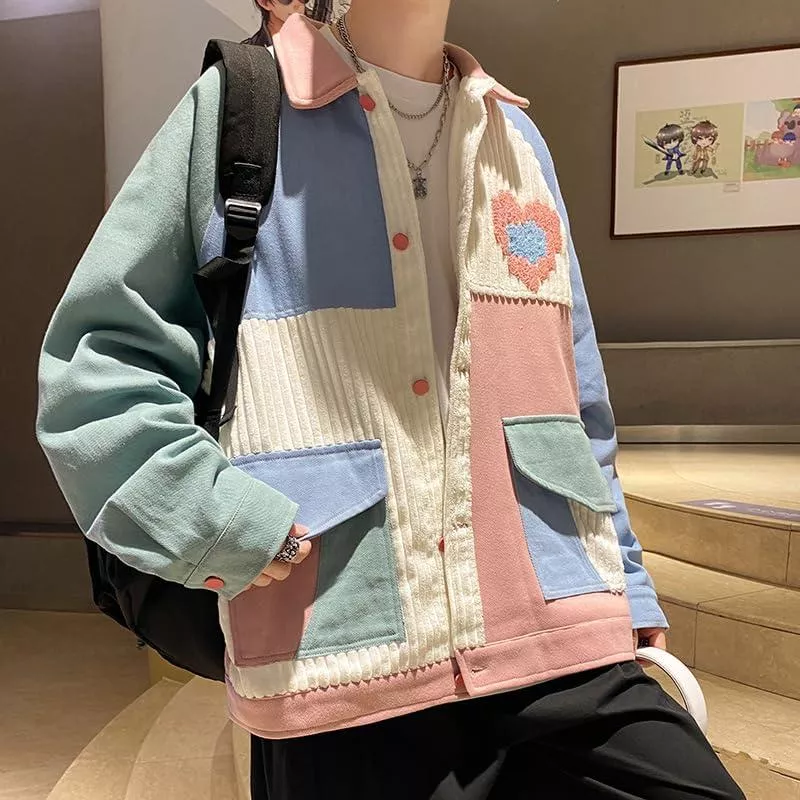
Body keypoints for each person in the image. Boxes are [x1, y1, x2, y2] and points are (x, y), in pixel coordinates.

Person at [37, 1, 745, 798]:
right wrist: (219, 519)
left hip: (558, 626)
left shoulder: (514, 137)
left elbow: (576, 399)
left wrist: (630, 582)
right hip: (342, 654)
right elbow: (94, 370)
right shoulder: (244, 109)